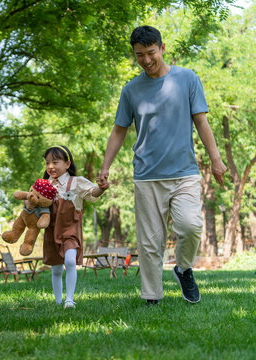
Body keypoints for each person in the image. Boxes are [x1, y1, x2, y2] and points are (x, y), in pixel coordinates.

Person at [97, 26, 227, 305]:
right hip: (146, 175)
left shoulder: (188, 79)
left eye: (150, 53)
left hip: (184, 172)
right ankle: (152, 297)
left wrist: (216, 159)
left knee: (190, 226)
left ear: (162, 48)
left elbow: (201, 121)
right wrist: (105, 166)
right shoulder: (131, 90)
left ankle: (183, 268)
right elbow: (119, 130)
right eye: (139, 55)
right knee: (149, 242)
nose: (145, 60)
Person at [37, 145, 107, 309]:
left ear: (67, 164)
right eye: (47, 163)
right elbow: (34, 200)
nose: (50, 166)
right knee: (55, 268)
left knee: (69, 261)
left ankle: (69, 299)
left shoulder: (76, 182)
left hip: (70, 229)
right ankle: (58, 301)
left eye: (55, 162)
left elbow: (92, 193)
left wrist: (101, 188)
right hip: (51, 230)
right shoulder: (44, 184)